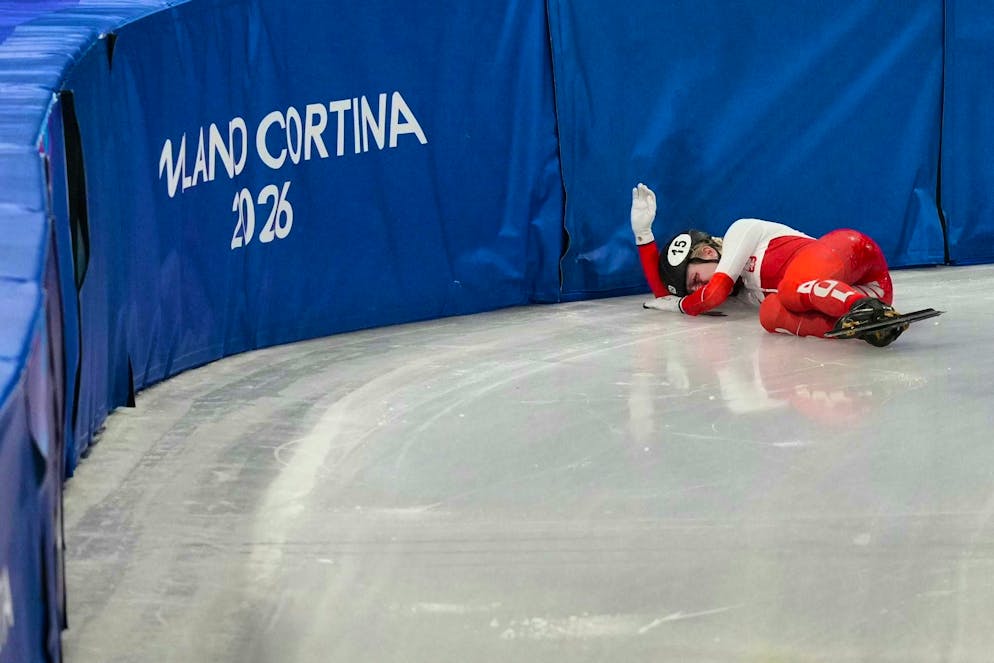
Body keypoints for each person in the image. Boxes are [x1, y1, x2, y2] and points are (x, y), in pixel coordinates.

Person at [629, 182, 908, 346]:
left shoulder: (740, 231)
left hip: (855, 254)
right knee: (770, 314)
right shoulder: (741, 295)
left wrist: (681, 305)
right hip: (866, 293)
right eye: (693, 290)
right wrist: (643, 236)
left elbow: (712, 294)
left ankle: (859, 310)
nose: (698, 291)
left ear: (707, 252)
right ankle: (863, 325)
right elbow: (666, 296)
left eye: (695, 280)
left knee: (788, 290)